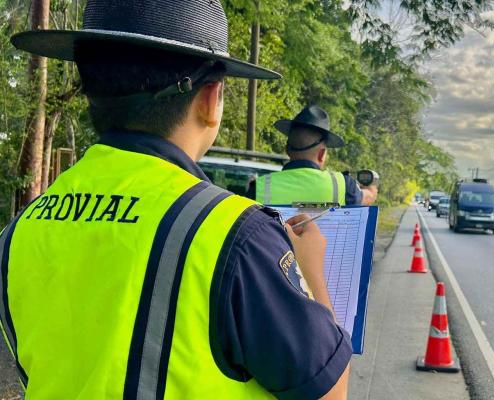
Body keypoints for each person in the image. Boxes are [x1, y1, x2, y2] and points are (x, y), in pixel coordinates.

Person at [3, 1, 351, 399]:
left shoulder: (19, 231)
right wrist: (312, 275)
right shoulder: (235, 236)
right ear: (210, 99)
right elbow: (330, 391)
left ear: (90, 90)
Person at [254, 105, 378, 206]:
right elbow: (367, 198)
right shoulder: (343, 186)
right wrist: (372, 189)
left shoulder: (260, 187)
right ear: (322, 154)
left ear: (287, 149)